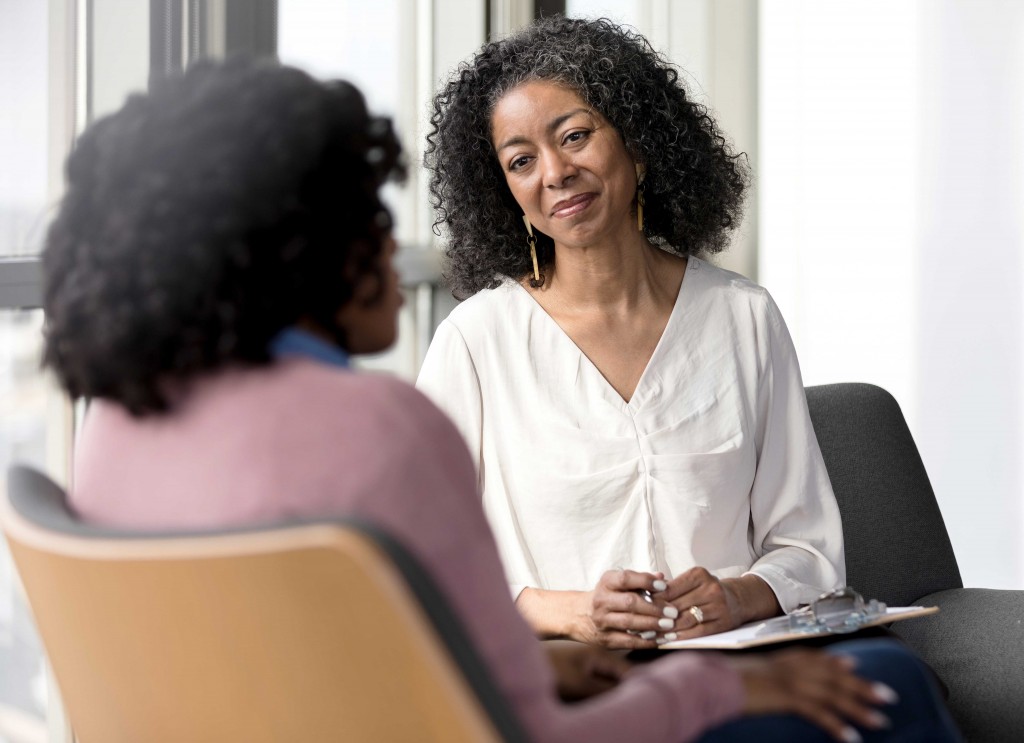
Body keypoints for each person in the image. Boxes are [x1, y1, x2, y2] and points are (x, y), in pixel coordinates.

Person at [40, 58, 961, 743]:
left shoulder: (118, 427)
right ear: (293, 248)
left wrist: (577, 653)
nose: (401, 254)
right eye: (369, 218)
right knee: (886, 683)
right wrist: (724, 690)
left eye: (573, 137)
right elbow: (509, 714)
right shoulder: (386, 423)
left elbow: (407, 642)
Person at [417, 15, 843, 650]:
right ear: (504, 190)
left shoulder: (744, 318)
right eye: (521, 160)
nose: (556, 172)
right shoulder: (476, 344)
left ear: (638, 145)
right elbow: (424, 564)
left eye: (577, 135)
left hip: (739, 663)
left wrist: (737, 596)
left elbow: (807, 547)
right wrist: (570, 612)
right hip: (572, 678)